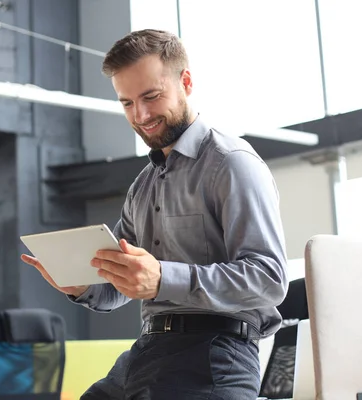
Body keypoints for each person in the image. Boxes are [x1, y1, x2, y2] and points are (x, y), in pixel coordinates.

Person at [22, 29, 288, 400]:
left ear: (186, 82)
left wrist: (163, 278)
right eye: (127, 103)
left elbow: (269, 279)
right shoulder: (142, 187)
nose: (141, 114)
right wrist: (81, 284)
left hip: (213, 355)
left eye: (151, 96)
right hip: (148, 352)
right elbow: (118, 288)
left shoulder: (231, 164)